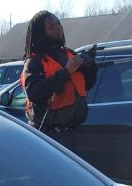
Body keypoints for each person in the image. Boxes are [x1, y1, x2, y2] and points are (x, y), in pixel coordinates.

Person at [21, 11, 97, 149]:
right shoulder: (34, 61)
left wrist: (90, 66)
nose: (58, 28)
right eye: (51, 27)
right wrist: (66, 72)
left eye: (58, 24)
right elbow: (33, 92)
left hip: (74, 133)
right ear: (41, 33)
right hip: (48, 136)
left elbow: (87, 85)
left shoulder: (69, 54)